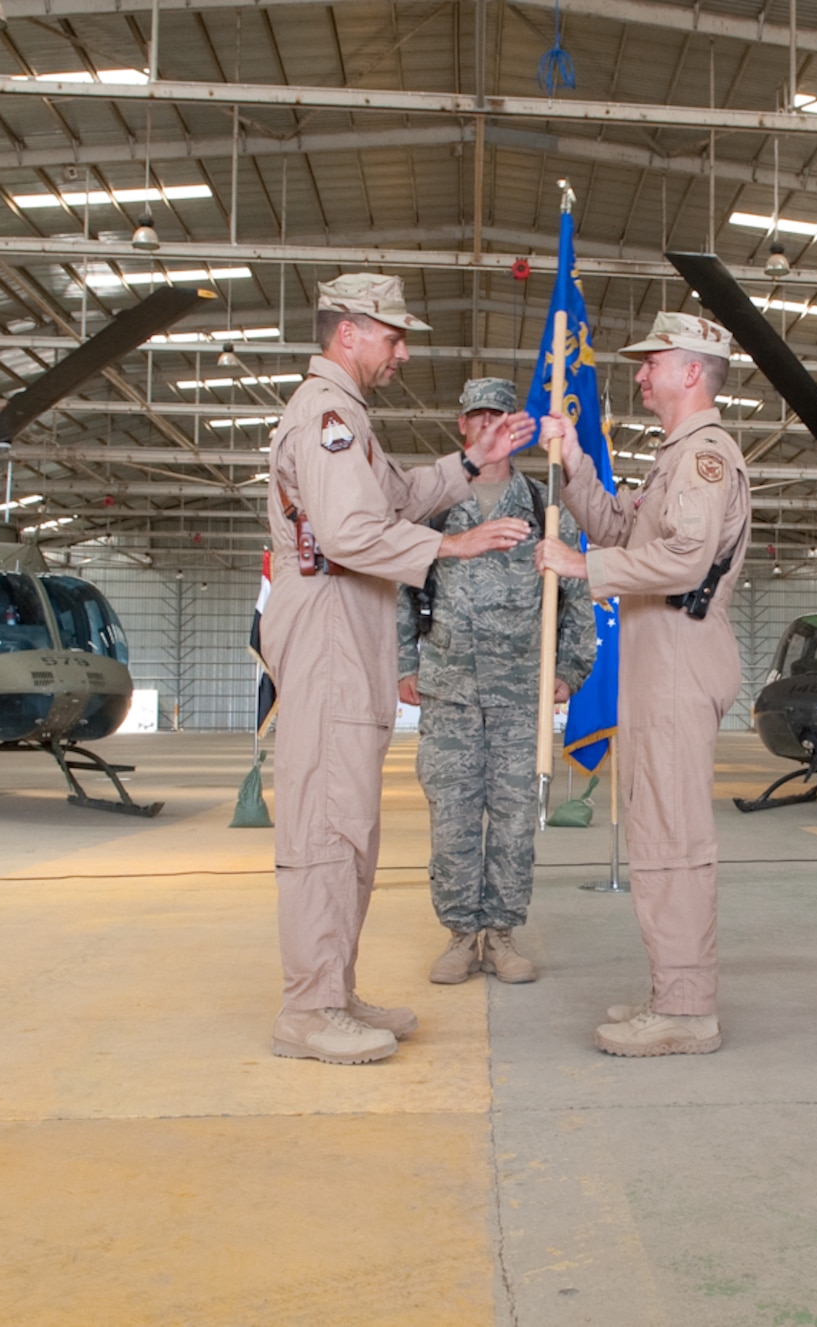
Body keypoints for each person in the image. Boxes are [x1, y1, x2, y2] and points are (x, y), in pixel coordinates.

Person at [261, 274, 533, 1066]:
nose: (402, 351)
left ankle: (333, 991)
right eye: (393, 335)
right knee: (324, 829)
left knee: (350, 828)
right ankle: (308, 1009)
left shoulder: (351, 420)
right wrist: (449, 545)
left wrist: (466, 461)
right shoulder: (328, 417)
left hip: (351, 635)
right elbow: (350, 532)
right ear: (350, 332)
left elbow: (398, 498)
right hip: (328, 634)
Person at [535, 311, 749, 1057]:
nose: (639, 373)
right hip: (659, 654)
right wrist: (571, 464)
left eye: (653, 361)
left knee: (675, 836)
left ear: (691, 371)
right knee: (658, 829)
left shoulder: (705, 457)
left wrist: (580, 568)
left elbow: (684, 560)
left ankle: (687, 1009)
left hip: (681, 652)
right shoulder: (675, 458)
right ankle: (674, 989)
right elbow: (625, 531)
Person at [396, 377, 596, 986]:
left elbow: (577, 595)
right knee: (453, 818)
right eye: (477, 415)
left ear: (518, 427)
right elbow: (400, 589)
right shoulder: (432, 506)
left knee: (512, 820)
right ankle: (460, 935)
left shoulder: (544, 506)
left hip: (520, 691)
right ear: (463, 425)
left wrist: (571, 668)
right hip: (450, 688)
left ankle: (503, 933)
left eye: (500, 416)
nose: (489, 425)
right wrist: (402, 663)